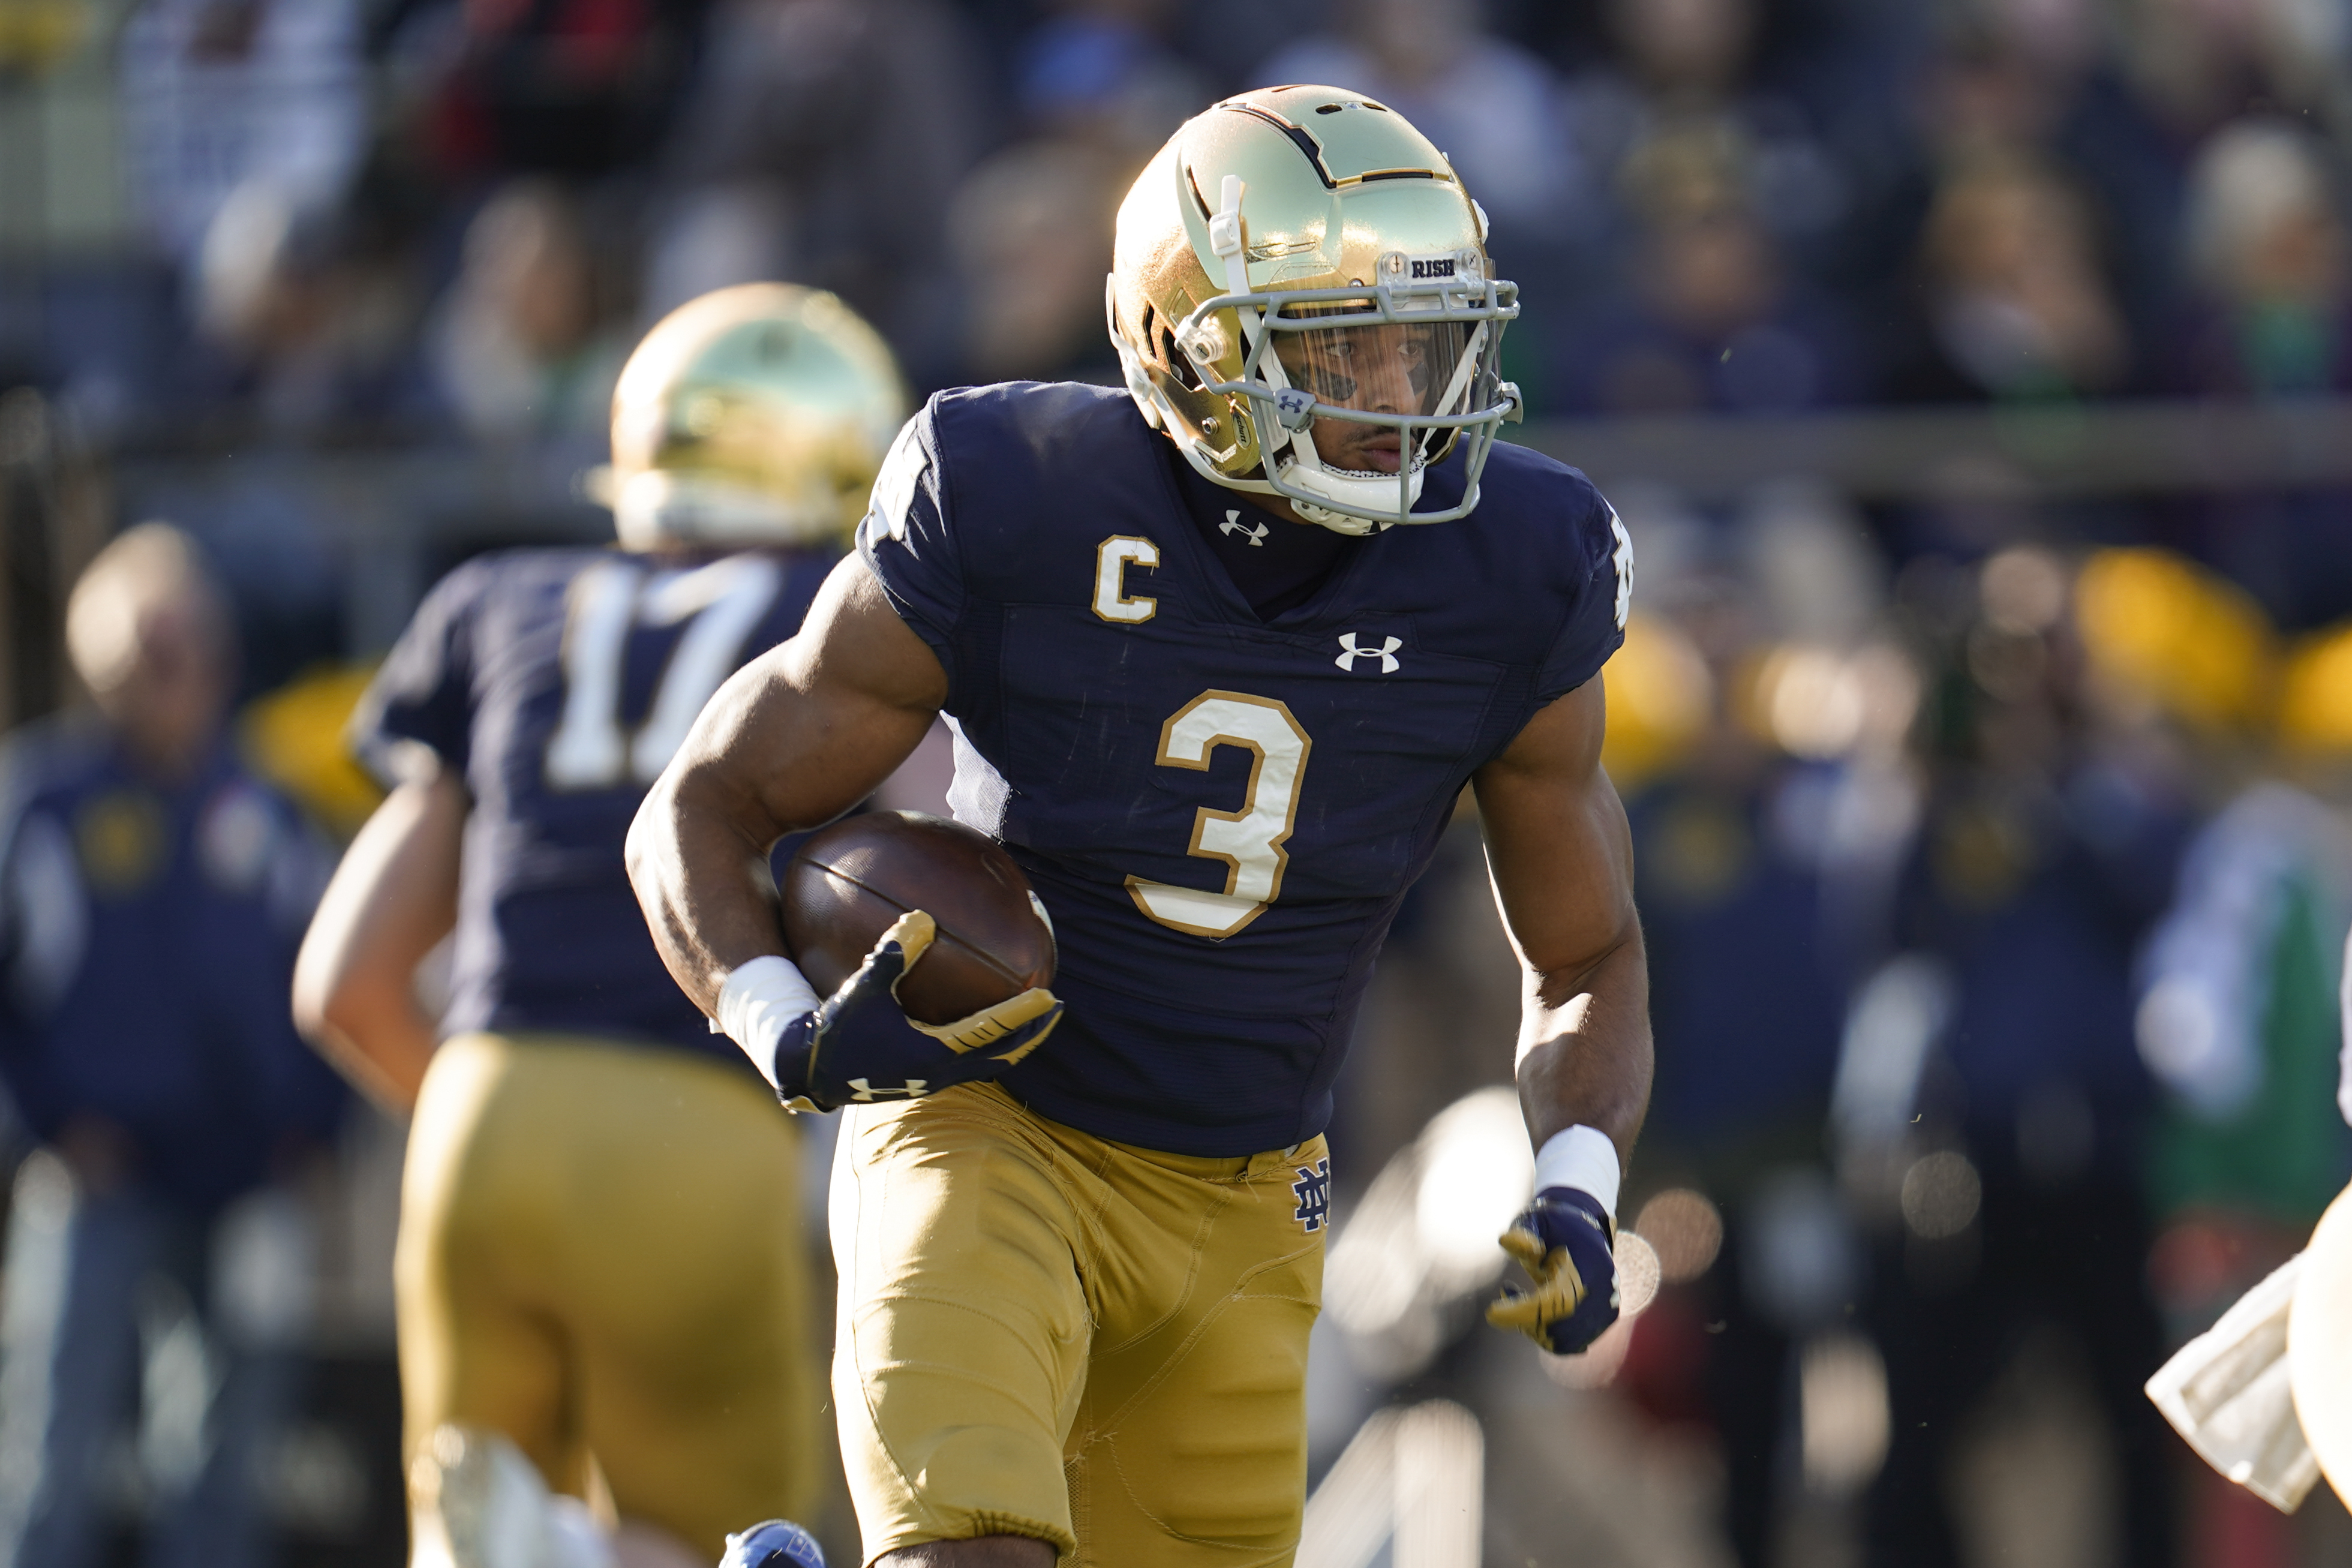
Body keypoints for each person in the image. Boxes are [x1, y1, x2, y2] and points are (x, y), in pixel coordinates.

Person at [627, 86, 1650, 1567]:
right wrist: (777, 1018)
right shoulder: (1015, 495)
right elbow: (707, 801)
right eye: (1339, 344)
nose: (1395, 393)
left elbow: (1588, 948)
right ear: (1195, 343)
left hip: (1250, 1203)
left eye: (1421, 342)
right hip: (990, 1132)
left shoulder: (1514, 568)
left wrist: (1575, 1178)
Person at [291, 283, 906, 1568]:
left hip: (480, 1109)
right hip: (700, 1130)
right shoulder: (845, 624)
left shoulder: (505, 598)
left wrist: (515, 1124)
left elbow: (344, 981)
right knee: (723, 1544)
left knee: (458, 1538)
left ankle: (543, 1549)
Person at [0, 521, 346, 1568]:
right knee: (54, 1451)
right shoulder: (45, 800)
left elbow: (330, 971)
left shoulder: (268, 804)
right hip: (96, 1175)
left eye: (193, 643)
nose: (176, 672)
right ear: (98, 663)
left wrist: (311, 1134)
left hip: (247, 1176)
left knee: (223, 1455)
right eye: (149, 650)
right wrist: (50, 1122)